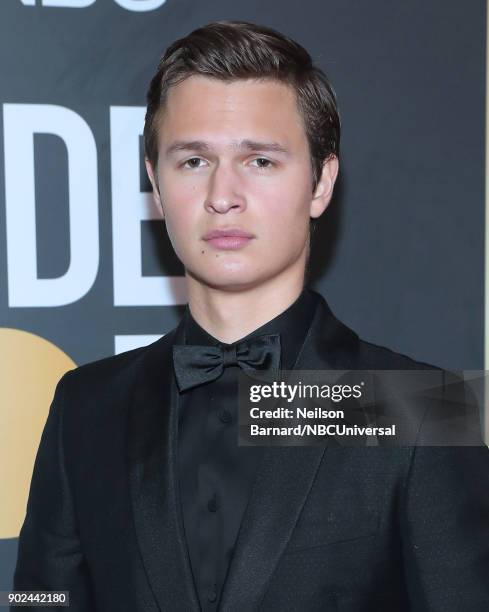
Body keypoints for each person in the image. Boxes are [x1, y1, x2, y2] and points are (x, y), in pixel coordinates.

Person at [13, 20, 489, 612]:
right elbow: (39, 600)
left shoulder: (419, 409)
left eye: (260, 161)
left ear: (320, 183)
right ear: (156, 187)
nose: (223, 194)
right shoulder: (86, 407)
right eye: (192, 161)